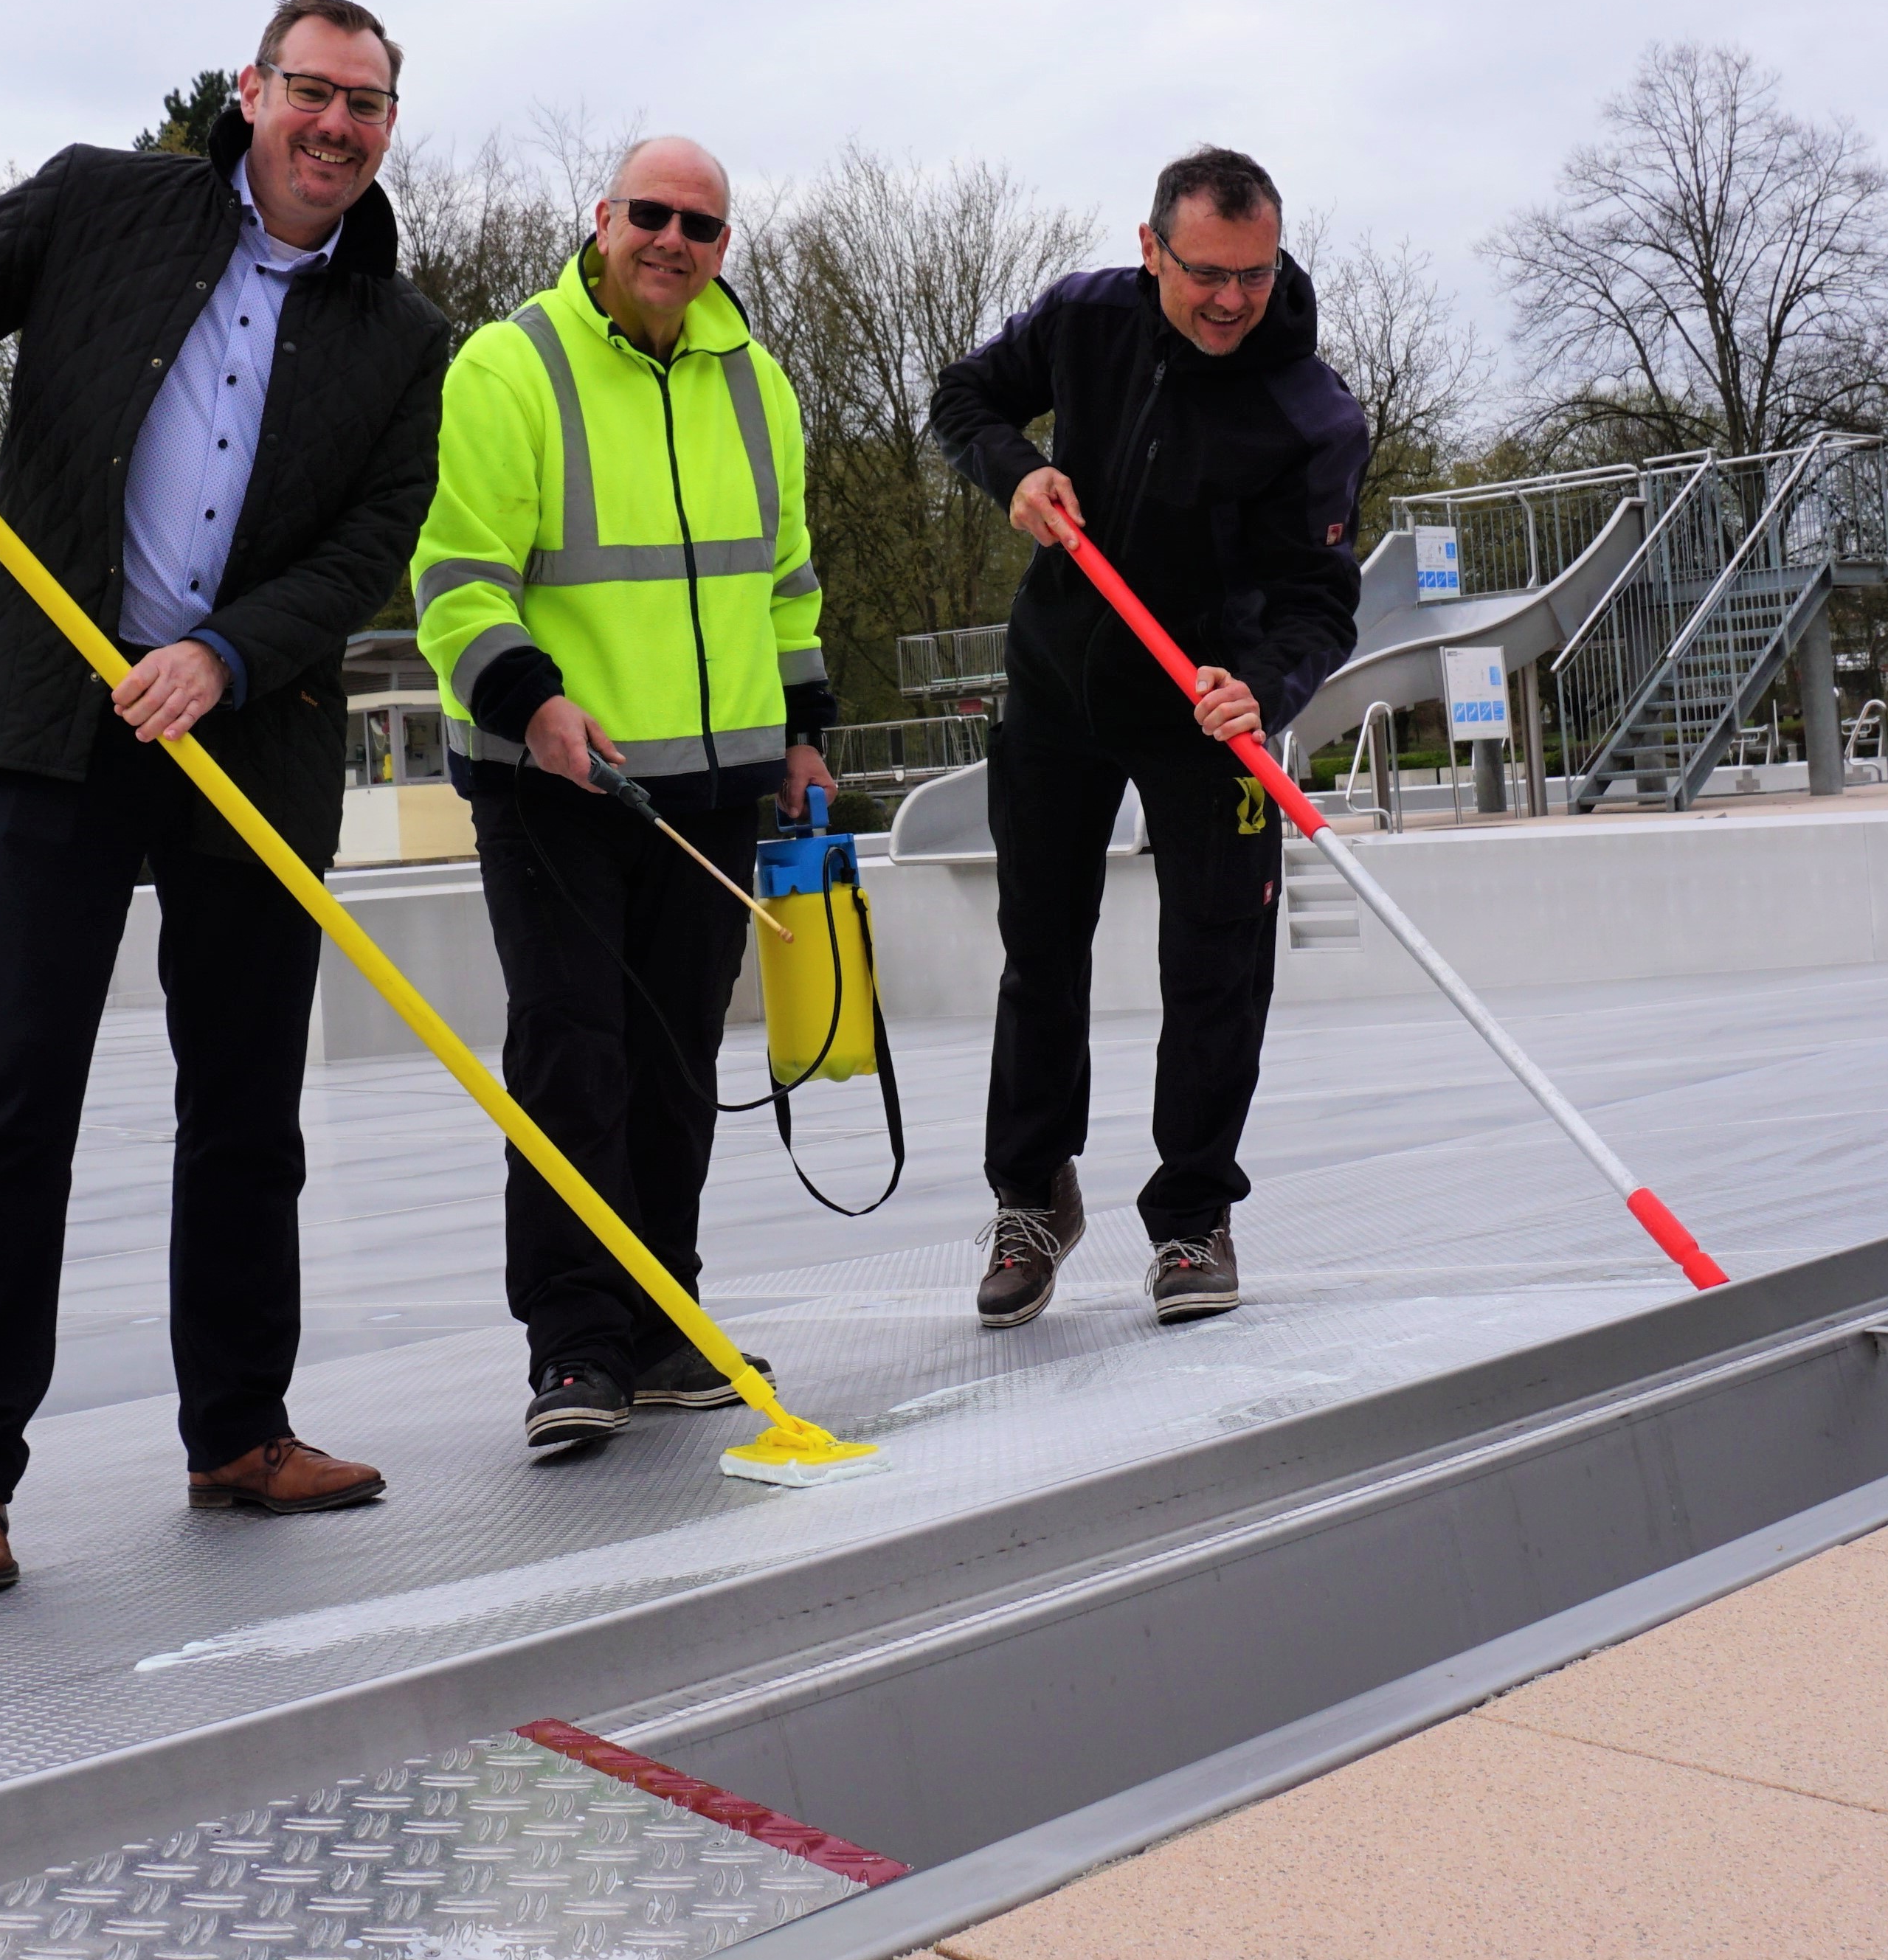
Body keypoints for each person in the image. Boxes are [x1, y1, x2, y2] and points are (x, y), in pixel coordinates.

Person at [0, 0, 448, 1599]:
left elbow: (370, 543)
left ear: (388, 129)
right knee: (11, 1094)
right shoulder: (100, 202)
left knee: (245, 1101)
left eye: (367, 107)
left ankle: (239, 1432)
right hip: (55, 714)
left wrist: (229, 658)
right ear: (251, 92)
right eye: (310, 92)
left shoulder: (402, 335)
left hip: (250, 732)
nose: (336, 127)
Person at [409, 136, 832, 1451]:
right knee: (572, 1057)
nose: (672, 240)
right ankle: (576, 1347)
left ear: (723, 245)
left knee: (671, 1065)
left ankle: (662, 1322)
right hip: (554, 779)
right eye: (649, 214)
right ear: (600, 220)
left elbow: (789, 585)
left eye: (700, 224)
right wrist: (528, 699)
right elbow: (456, 579)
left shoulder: (760, 385)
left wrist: (805, 735)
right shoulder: (509, 364)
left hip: (711, 789)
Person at [928, 146, 1366, 1328]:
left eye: (1255, 275)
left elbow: (1320, 603)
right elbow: (959, 398)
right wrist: (1013, 471)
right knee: (1042, 946)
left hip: (1205, 714)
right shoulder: (1082, 319)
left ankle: (1190, 1220)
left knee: (1216, 965)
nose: (1229, 301)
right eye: (1205, 274)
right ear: (1150, 249)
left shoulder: (1310, 411)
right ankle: (1032, 1197)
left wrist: (1262, 687)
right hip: (1060, 690)